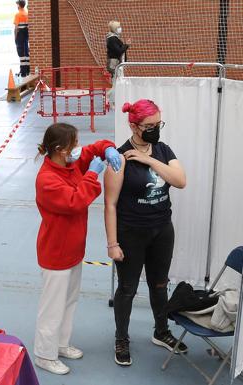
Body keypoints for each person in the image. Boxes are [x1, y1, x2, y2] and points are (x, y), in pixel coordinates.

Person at [104, 99, 187, 366]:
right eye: (149, 126)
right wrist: (112, 243)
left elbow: (180, 181)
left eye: (158, 124)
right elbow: (110, 204)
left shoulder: (162, 150)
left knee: (159, 284)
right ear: (134, 125)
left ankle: (161, 331)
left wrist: (148, 159)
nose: (155, 129)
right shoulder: (120, 157)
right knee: (127, 289)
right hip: (131, 232)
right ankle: (121, 339)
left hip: (162, 229)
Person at [34, 123, 121, 375]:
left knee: (69, 301)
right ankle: (44, 354)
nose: (78, 149)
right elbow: (75, 201)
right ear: (61, 150)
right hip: (55, 253)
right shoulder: (47, 179)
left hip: (73, 250)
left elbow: (95, 148)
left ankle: (60, 344)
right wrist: (92, 175)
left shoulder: (69, 163)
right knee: (52, 307)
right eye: (74, 144)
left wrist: (109, 149)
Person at [106, 21, 130, 104]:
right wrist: (126, 45)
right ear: (115, 28)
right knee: (117, 82)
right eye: (119, 27)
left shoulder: (115, 38)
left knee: (117, 82)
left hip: (117, 63)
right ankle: (110, 99)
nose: (120, 28)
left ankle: (110, 98)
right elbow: (119, 51)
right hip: (114, 64)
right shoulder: (112, 39)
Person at [14, 0, 30, 77]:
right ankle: (26, 71)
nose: (17, 6)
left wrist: (15, 37)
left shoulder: (18, 14)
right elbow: (27, 26)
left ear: (19, 5)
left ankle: (23, 73)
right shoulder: (27, 13)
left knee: (21, 53)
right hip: (26, 34)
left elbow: (16, 27)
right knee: (26, 52)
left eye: (17, 4)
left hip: (20, 34)